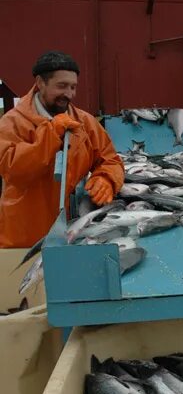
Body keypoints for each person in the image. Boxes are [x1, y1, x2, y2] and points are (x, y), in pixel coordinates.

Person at [0, 50, 124, 248]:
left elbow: (110, 160)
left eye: (73, 87)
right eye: (62, 86)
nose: (69, 94)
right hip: (22, 239)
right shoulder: (11, 123)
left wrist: (107, 178)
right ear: (40, 83)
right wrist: (51, 135)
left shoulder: (85, 122)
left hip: (73, 233)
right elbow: (14, 172)